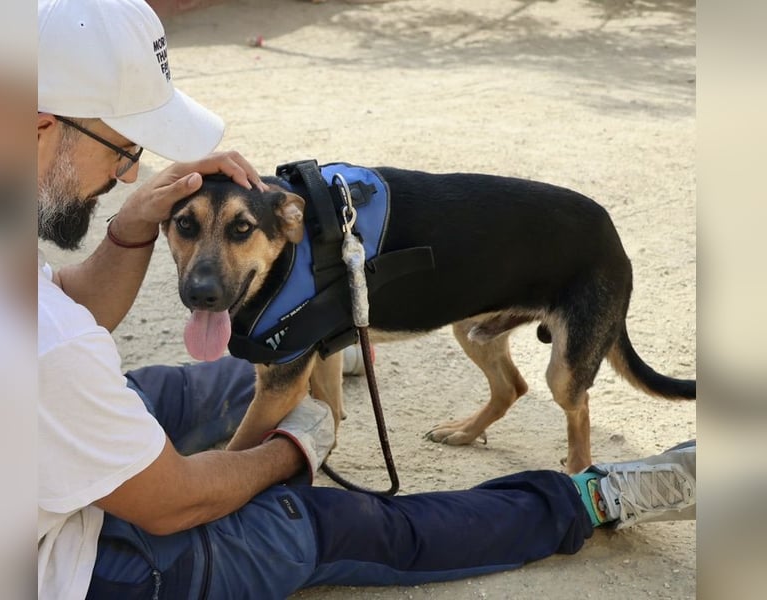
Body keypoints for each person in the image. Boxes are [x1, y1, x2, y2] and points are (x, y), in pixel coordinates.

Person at [37, 1, 696, 599]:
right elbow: (174, 502)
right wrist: (292, 450)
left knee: (249, 379)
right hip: (86, 563)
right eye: (123, 149)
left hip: (42, 445)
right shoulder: (51, 351)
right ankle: (588, 499)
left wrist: (130, 227)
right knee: (362, 524)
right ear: (41, 125)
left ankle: (334, 356)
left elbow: (64, 303)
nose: (131, 174)